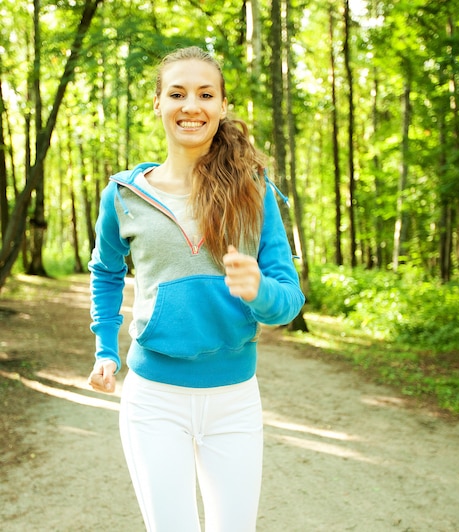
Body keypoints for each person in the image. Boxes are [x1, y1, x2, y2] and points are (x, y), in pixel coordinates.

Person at [87, 45, 305, 532]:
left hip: (235, 399)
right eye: (177, 93)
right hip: (153, 400)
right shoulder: (124, 195)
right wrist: (106, 349)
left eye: (206, 94)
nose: (192, 106)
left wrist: (259, 291)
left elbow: (287, 303)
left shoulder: (255, 190)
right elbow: (105, 271)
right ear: (158, 103)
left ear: (222, 106)